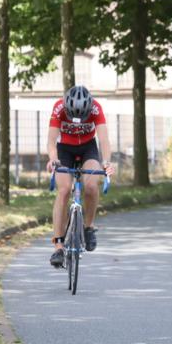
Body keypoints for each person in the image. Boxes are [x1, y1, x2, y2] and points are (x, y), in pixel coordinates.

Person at [46, 85, 115, 268]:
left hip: (88, 148)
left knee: (92, 185)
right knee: (64, 190)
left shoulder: (96, 108)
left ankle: (89, 226)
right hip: (65, 149)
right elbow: (51, 140)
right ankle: (58, 246)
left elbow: (104, 140)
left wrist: (107, 162)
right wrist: (53, 160)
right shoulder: (59, 107)